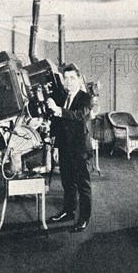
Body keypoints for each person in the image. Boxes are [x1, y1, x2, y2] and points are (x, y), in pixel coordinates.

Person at [46, 64, 94, 233]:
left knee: (83, 185)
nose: (68, 81)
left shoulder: (86, 98)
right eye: (66, 78)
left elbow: (79, 116)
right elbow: (59, 125)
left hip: (80, 149)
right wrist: (56, 147)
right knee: (67, 183)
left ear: (79, 79)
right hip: (65, 147)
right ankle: (68, 212)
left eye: (72, 78)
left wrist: (59, 110)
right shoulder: (63, 97)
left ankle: (84, 218)